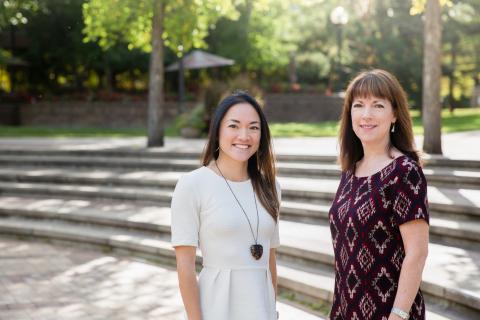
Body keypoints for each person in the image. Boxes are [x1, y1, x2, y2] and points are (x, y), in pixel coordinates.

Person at [328, 69, 429, 320]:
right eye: (359, 105)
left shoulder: (405, 172)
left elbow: (417, 252)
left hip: (389, 314)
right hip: (346, 311)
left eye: (378, 105)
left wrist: (397, 315)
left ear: (394, 114)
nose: (366, 115)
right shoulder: (350, 171)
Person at [171, 91, 281, 320]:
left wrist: (273, 310)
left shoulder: (271, 186)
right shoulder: (192, 184)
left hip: (262, 310)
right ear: (218, 130)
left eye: (253, 127)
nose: (244, 135)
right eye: (234, 126)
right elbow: (185, 266)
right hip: (216, 308)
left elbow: (270, 260)